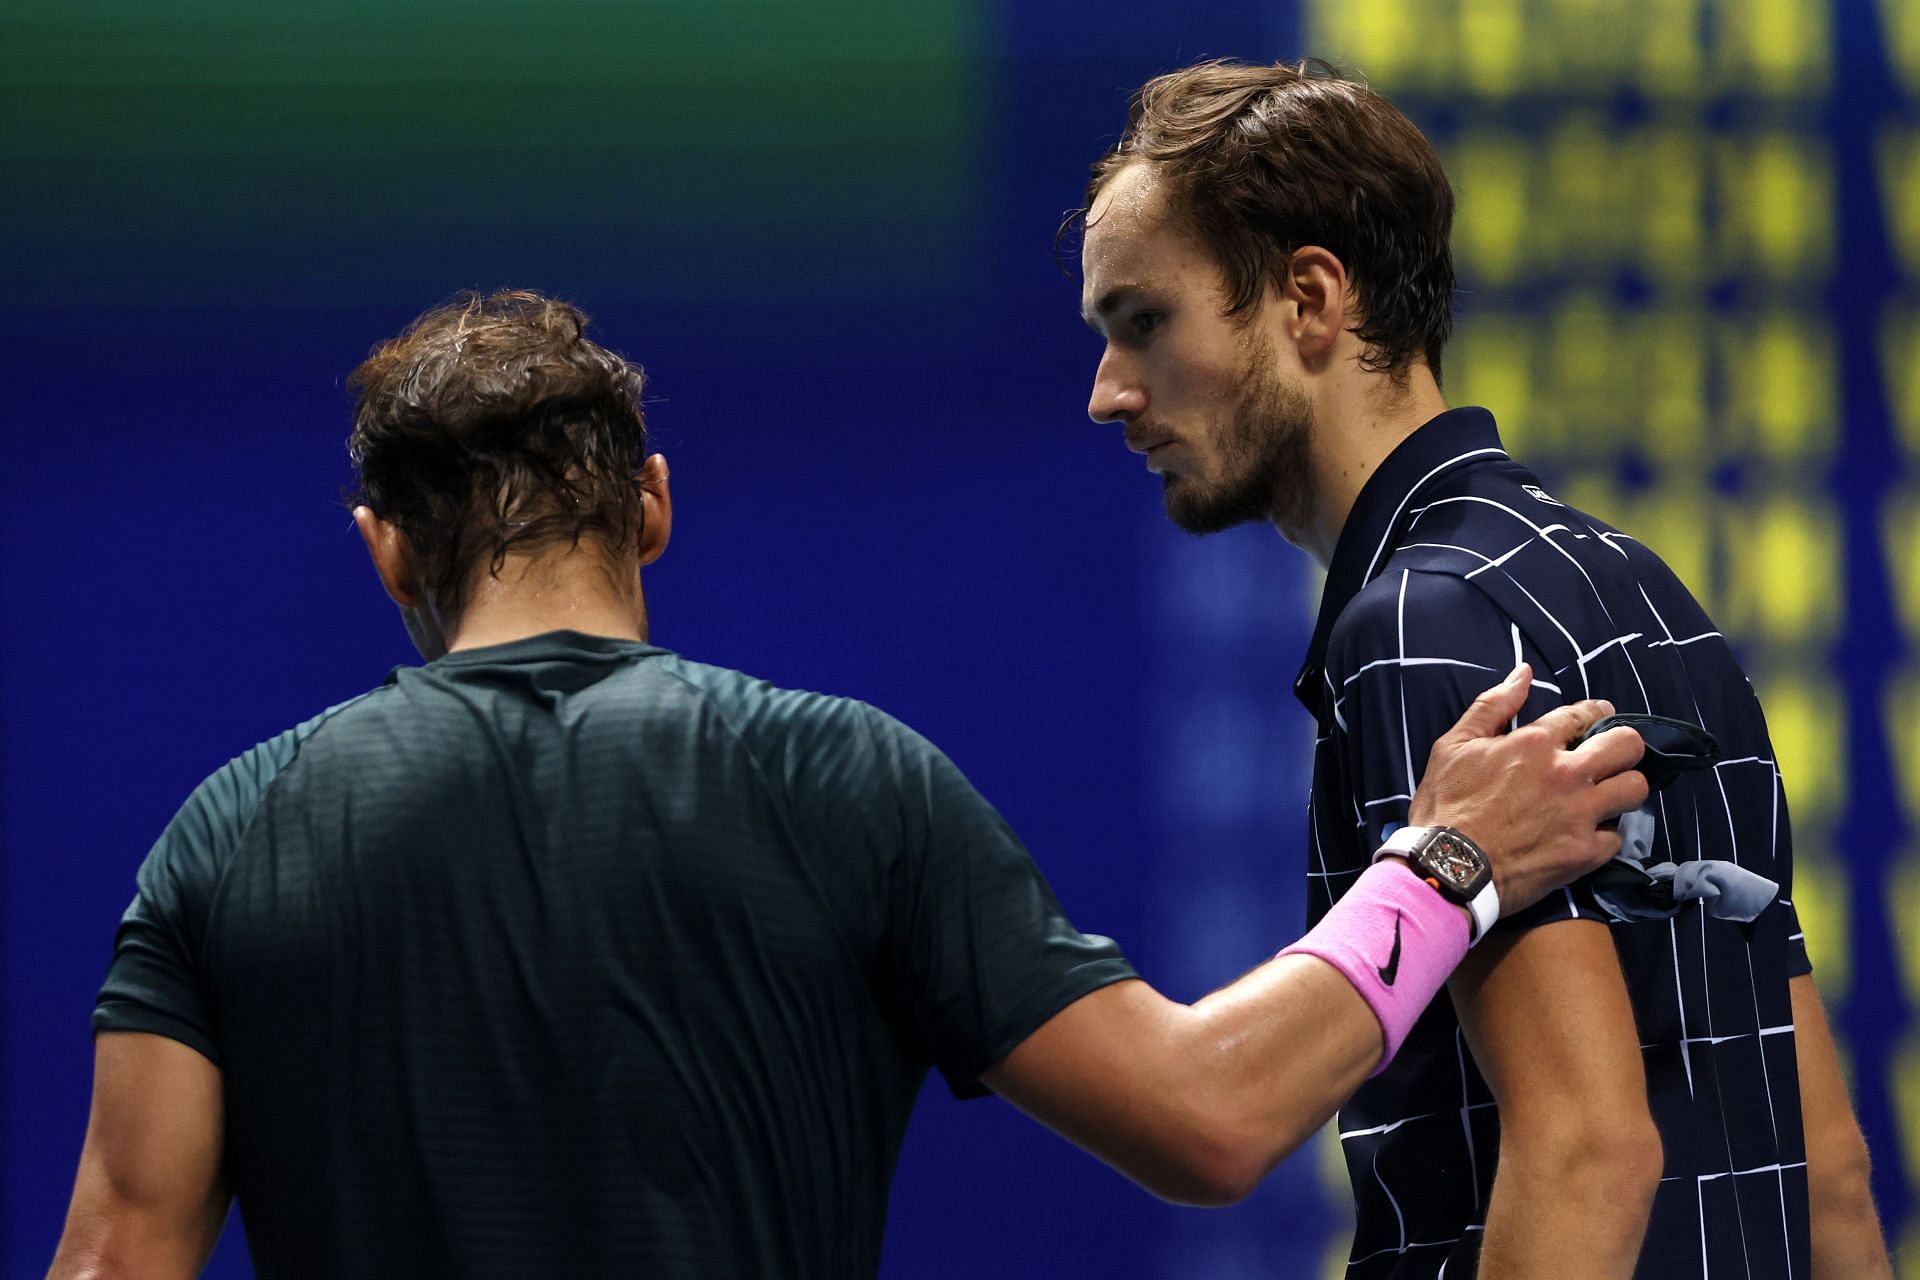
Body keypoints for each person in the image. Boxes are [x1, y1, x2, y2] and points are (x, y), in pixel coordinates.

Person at [49, 291, 1645, 1280]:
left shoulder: (228, 834)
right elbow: (1210, 1118)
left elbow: (118, 1262)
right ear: (653, 508)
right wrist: (1444, 869)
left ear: (384, 549)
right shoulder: (840, 779)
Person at [1073, 58, 1892, 1279]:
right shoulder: (1642, 584)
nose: (1109, 393)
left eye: (1145, 322)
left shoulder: (1418, 624)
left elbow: (1588, 1150)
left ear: (1310, 298)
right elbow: (1825, 1165)